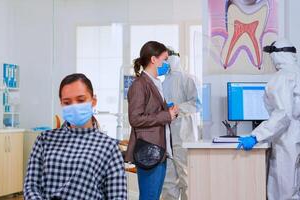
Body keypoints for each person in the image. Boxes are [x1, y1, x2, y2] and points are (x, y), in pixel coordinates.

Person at [237, 38, 300, 199]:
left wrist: (256, 136)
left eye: (271, 54)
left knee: (284, 191)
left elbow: (282, 114)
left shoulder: (283, 77)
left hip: (288, 136)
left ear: (277, 55)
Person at [24, 73, 127, 200]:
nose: (74, 106)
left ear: (93, 101)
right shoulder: (44, 140)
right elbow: (31, 186)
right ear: (61, 104)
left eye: (81, 100)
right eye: (67, 102)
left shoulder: (109, 147)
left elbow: (118, 196)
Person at [125, 41, 179, 200]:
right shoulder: (139, 84)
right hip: (149, 151)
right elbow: (135, 119)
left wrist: (166, 111)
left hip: (159, 151)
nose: (167, 64)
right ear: (154, 60)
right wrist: (166, 115)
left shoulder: (156, 83)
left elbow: (150, 112)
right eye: (165, 59)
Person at [161, 47, 199, 200]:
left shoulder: (188, 78)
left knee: (186, 178)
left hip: (184, 135)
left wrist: (177, 108)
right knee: (168, 180)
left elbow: (198, 103)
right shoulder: (163, 83)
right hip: (167, 136)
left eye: (163, 59)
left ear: (171, 58)